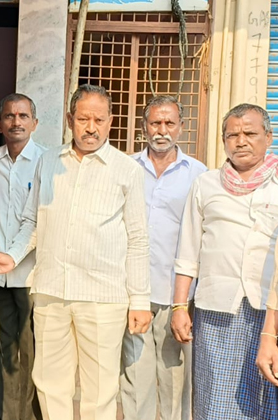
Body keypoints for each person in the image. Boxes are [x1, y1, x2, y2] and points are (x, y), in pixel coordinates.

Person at [0, 84, 151, 420]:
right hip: (51, 291)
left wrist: (140, 301)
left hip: (103, 296)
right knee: (49, 382)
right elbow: (33, 219)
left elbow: (137, 238)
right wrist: (13, 256)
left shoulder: (126, 170)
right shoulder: (48, 161)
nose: (91, 127)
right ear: (69, 120)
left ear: (110, 121)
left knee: (99, 389)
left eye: (99, 120)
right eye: (83, 119)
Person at [171, 103, 278, 420]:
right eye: (232, 134)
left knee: (265, 400)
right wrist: (179, 307)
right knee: (215, 399)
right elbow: (187, 252)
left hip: (267, 310)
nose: (241, 141)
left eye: (250, 133)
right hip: (217, 310)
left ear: (268, 138)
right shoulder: (206, 184)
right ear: (223, 141)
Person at [120, 96, 206, 420]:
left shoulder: (198, 175)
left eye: (169, 123)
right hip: (135, 292)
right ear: (144, 127)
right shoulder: (126, 168)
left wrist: (185, 301)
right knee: (134, 378)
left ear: (181, 128)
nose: (162, 130)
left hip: (177, 296)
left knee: (174, 381)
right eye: (155, 123)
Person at [0, 93, 45, 420]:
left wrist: (14, 256)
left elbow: (36, 221)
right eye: (9, 116)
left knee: (31, 353)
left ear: (35, 123)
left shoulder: (47, 162)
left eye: (23, 116)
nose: (16, 122)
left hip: (31, 275)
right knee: (0, 351)